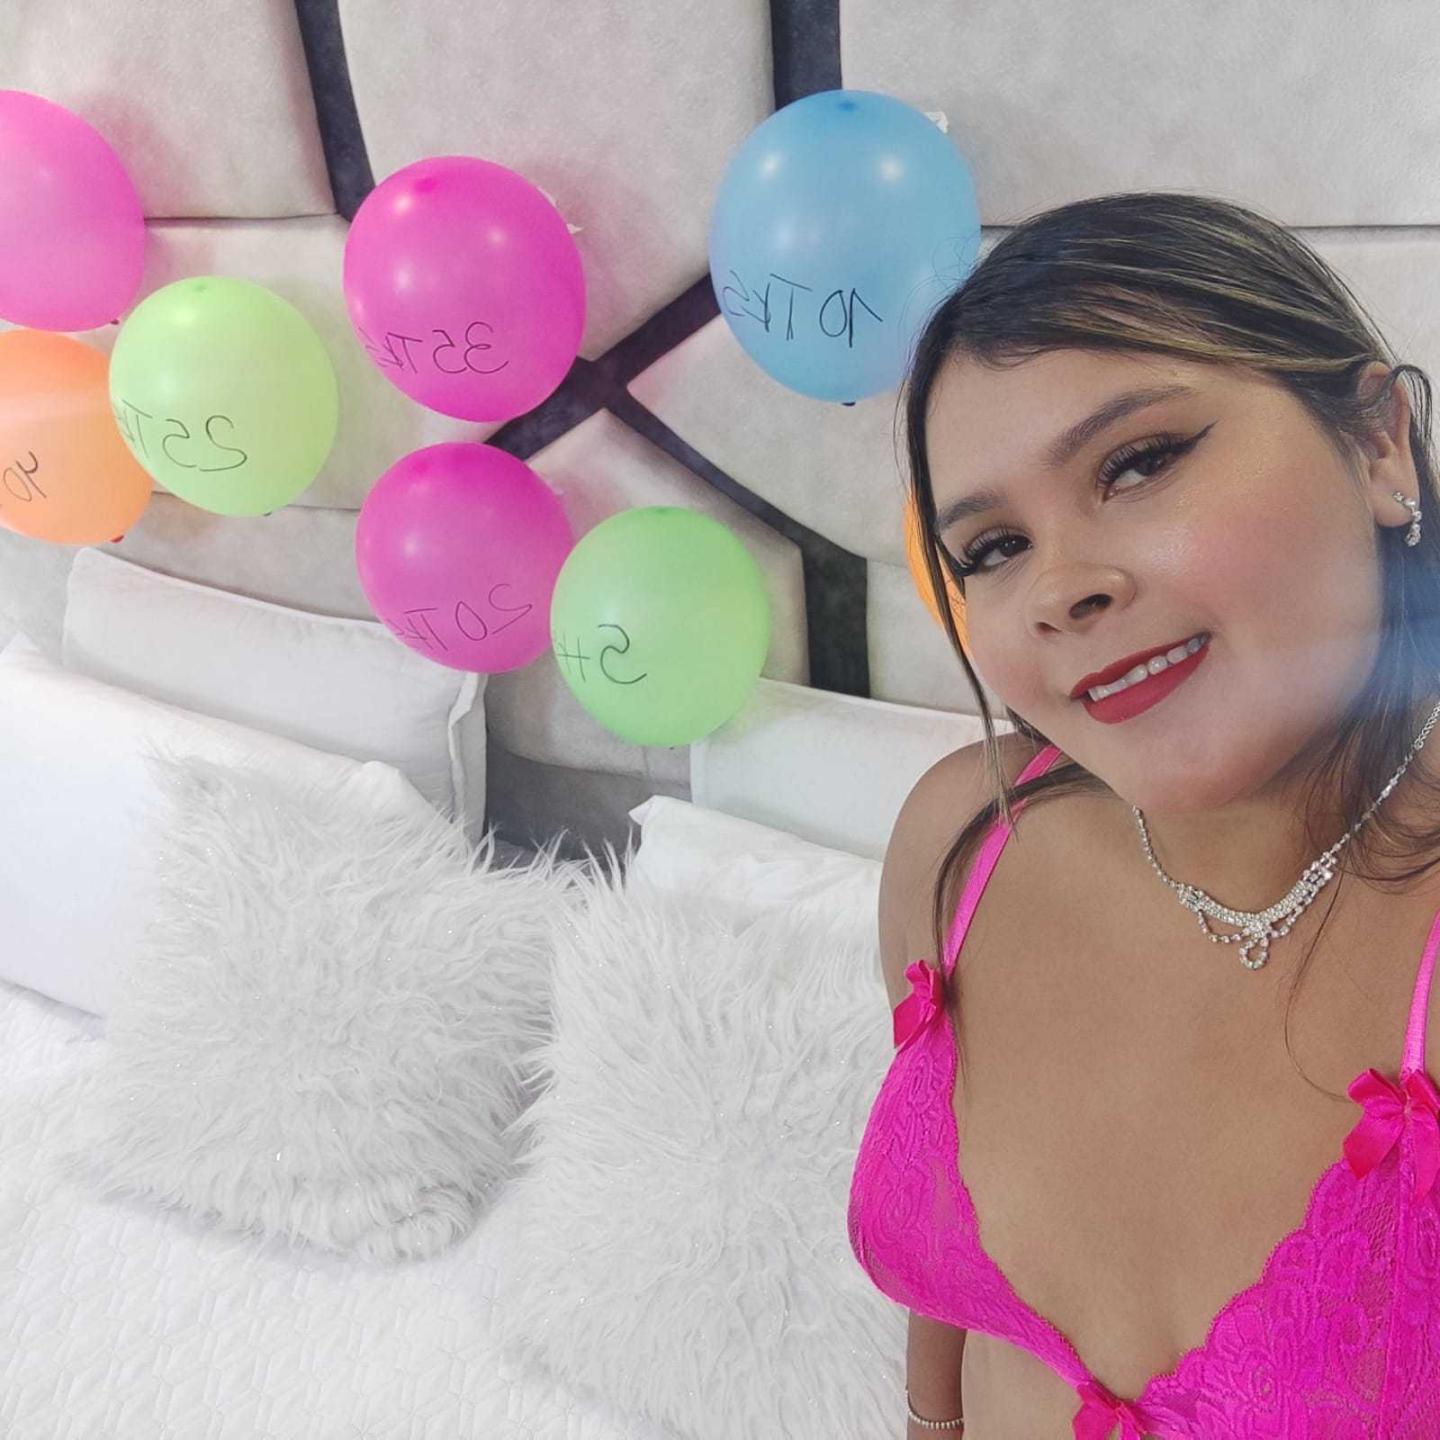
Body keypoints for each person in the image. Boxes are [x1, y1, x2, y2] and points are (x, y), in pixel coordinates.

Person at [847, 191, 1440, 1439]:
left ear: (1379, 447)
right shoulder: (965, 843)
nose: (1061, 588)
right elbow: (951, 1301)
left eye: (1139, 463)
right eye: (994, 547)